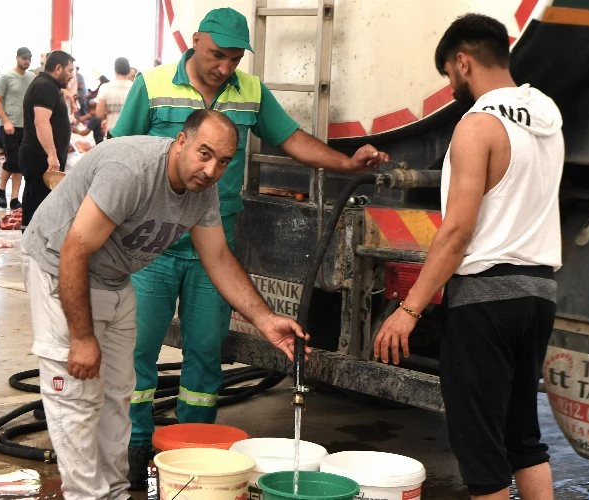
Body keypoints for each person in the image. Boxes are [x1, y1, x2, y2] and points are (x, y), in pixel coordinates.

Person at [110, 6, 390, 489]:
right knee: (138, 353)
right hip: (152, 247)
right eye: (217, 55)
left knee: (205, 356)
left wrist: (346, 164)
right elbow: (118, 153)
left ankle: (196, 452)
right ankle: (133, 448)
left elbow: (292, 139)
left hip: (214, 247)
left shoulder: (251, 92)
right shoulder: (152, 86)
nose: (225, 67)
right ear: (196, 41)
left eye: (235, 59)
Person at [21, 109, 310, 500]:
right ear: (181, 142)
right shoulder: (132, 171)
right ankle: (87, 495)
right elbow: (74, 250)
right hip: (59, 267)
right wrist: (82, 338)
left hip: (113, 276)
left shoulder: (202, 190)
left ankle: (114, 492)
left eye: (223, 161)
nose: (211, 170)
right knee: (77, 395)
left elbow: (218, 258)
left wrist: (265, 319)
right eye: (204, 154)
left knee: (118, 393)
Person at [373, 13, 564, 500]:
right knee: (522, 438)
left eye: (448, 74)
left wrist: (409, 309)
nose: (452, 85)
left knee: (480, 451)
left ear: (462, 62)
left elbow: (457, 231)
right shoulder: (547, 119)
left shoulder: (477, 126)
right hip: (538, 294)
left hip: (485, 302)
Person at [19, 50, 74, 230]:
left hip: (42, 156)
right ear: (58, 68)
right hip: (40, 157)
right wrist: (51, 154)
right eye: (69, 70)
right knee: (37, 204)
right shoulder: (45, 87)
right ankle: (32, 240)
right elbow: (41, 122)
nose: (71, 75)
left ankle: (32, 237)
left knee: (39, 203)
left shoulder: (49, 86)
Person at [0, 47, 36, 209]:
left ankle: (14, 198)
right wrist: (6, 121)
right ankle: (1, 190)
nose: (27, 61)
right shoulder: (6, 77)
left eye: (29, 59)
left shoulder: (32, 77)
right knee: (12, 161)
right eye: (24, 58)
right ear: (17, 58)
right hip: (9, 125)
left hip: (26, 126)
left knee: (21, 162)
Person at [95, 57, 132, 137]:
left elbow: (99, 114)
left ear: (115, 70)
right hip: (130, 132)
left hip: (112, 131)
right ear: (129, 70)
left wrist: (106, 117)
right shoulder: (134, 87)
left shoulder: (105, 87)